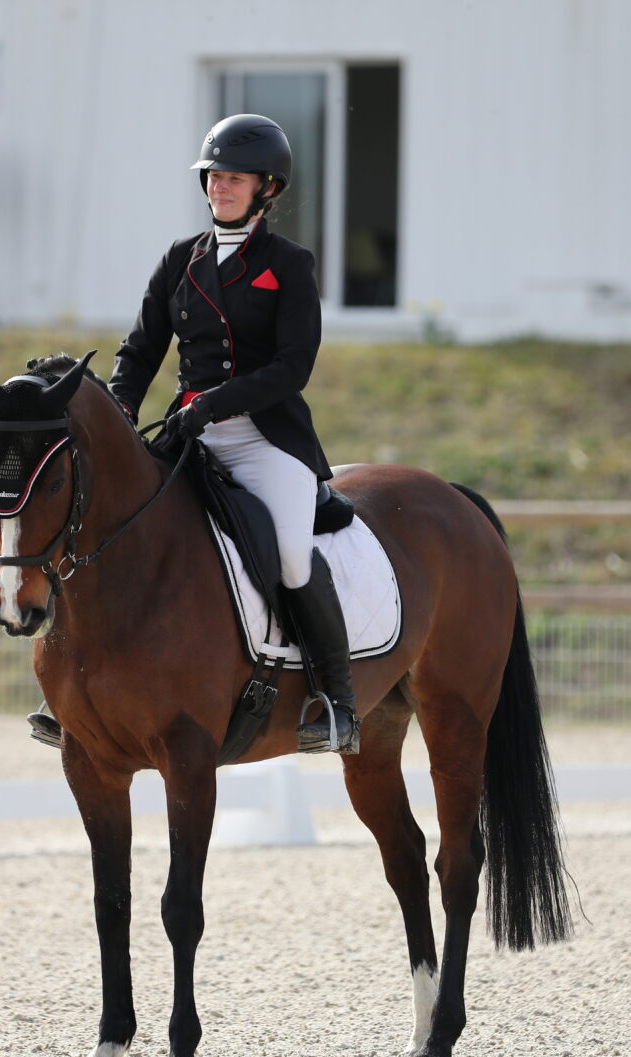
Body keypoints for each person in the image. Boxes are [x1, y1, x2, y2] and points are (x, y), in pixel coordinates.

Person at [106, 113, 360, 755]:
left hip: (264, 438)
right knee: (113, 530)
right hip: (190, 435)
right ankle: (84, 691)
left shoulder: (289, 264)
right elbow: (139, 352)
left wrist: (215, 402)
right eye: (214, 176)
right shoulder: (178, 260)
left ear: (266, 188)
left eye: (235, 178)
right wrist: (119, 413)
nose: (220, 187)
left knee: (294, 558)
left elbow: (292, 365)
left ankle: (337, 702)